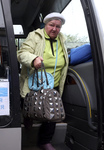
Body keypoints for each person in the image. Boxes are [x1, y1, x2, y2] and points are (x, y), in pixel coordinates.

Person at [17, 12, 69, 150]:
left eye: (58, 26)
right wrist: (33, 59)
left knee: (52, 113)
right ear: (45, 25)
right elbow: (21, 54)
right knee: (29, 104)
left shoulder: (62, 39)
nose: (54, 29)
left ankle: (45, 141)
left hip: (53, 84)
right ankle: (28, 117)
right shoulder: (34, 36)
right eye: (51, 25)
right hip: (35, 82)